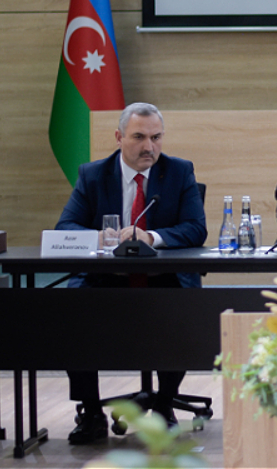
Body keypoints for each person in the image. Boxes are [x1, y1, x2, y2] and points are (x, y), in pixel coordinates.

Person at [56, 102, 207, 443]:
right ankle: (91, 411)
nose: (148, 147)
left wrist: (151, 236)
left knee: (184, 309)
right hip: (106, 280)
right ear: (119, 137)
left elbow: (196, 229)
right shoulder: (93, 175)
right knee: (70, 312)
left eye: (156, 137)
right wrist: (100, 237)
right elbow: (65, 225)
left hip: (163, 280)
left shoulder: (180, 171)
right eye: (139, 137)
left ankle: (165, 403)